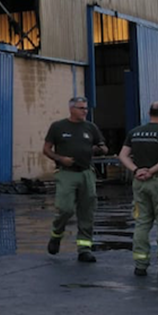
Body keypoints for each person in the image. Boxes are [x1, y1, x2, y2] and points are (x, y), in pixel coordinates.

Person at [42, 96, 109, 262]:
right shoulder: (58, 127)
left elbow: (104, 147)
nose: (84, 111)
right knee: (65, 209)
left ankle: (84, 248)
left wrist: (99, 149)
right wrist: (60, 159)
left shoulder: (90, 127)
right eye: (81, 108)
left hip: (86, 172)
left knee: (87, 211)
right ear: (71, 109)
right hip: (67, 172)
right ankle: (56, 234)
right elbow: (46, 149)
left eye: (86, 108)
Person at [120, 101, 158, 278]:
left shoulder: (135, 132)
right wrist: (152, 171)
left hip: (139, 182)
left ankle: (140, 265)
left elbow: (123, 155)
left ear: (149, 113)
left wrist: (136, 170)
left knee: (142, 221)